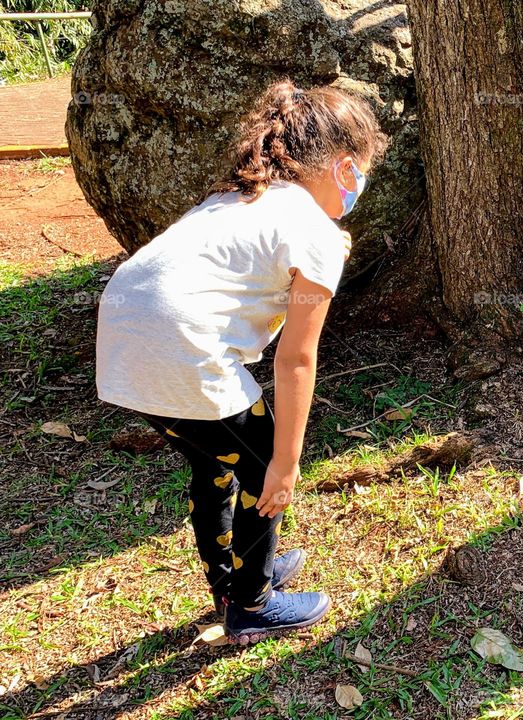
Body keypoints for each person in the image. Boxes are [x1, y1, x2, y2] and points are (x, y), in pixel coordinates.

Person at [95, 79, 387, 645]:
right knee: (261, 472)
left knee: (214, 465)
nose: (359, 189)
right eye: (362, 174)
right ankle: (252, 603)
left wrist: (328, 249)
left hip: (124, 343)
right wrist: (288, 459)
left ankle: (232, 577)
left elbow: (253, 268)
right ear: (344, 168)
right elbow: (297, 359)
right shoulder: (314, 233)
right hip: (185, 348)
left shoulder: (242, 198)